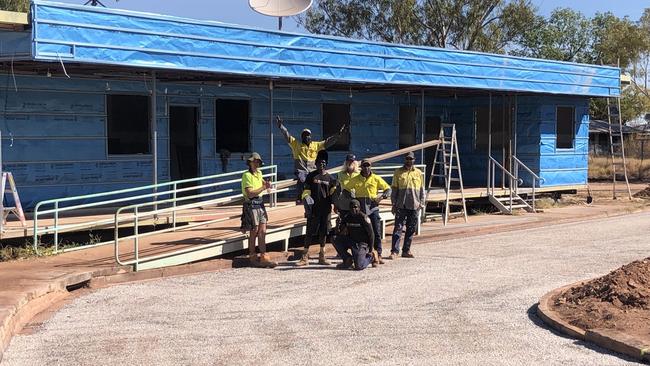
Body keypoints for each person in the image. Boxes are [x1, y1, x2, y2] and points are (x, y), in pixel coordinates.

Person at [276, 116, 347, 203]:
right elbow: (287, 135)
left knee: (319, 181)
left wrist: (338, 135)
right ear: (301, 137)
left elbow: (328, 142)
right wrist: (281, 126)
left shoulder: (316, 145)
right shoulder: (296, 144)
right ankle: (300, 198)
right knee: (302, 180)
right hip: (301, 171)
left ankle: (321, 197)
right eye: (304, 135)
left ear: (311, 136)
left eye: (308, 135)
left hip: (313, 170)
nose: (306, 137)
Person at [344, 159, 391, 264]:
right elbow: (345, 190)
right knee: (363, 232)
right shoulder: (355, 179)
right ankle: (365, 253)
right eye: (364, 166)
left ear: (371, 167)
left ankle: (378, 254)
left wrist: (382, 197)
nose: (366, 168)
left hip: (373, 207)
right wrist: (352, 198)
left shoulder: (376, 178)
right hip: (361, 210)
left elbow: (388, 189)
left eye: (368, 166)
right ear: (361, 167)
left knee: (376, 232)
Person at [296, 150, 339, 266]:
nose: (321, 164)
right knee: (309, 232)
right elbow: (306, 192)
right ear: (315, 163)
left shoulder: (330, 178)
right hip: (314, 210)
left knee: (323, 232)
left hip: (326, 210)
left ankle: (322, 256)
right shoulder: (311, 176)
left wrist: (336, 189)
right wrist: (307, 207)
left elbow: (332, 195)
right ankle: (304, 257)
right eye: (319, 162)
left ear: (326, 164)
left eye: (324, 162)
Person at [240, 152, 277, 268]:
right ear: (250, 162)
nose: (256, 164)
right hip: (251, 204)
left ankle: (263, 256)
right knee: (254, 231)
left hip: (260, 203)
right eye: (255, 161)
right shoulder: (246, 175)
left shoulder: (259, 173)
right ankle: (252, 256)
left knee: (262, 231)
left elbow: (261, 185)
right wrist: (263, 187)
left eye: (258, 162)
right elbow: (250, 193)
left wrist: (266, 184)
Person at [389, 152, 425, 259]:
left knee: (410, 229)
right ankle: (394, 251)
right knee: (398, 229)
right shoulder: (398, 172)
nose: (409, 161)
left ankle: (406, 250)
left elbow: (422, 189)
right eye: (407, 159)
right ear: (405, 159)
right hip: (401, 205)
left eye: (411, 159)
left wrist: (421, 203)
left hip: (414, 205)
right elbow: (394, 189)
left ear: (414, 160)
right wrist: (394, 204)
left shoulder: (418, 173)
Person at [333, 199, 377, 270]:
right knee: (334, 238)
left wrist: (371, 249)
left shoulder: (364, 218)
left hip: (362, 243)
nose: (354, 209)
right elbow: (338, 233)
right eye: (351, 207)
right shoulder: (347, 217)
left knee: (359, 266)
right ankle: (348, 259)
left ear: (359, 208)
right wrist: (337, 224)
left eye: (355, 207)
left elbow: (371, 234)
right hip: (351, 241)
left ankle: (371, 257)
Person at [334, 153, 359, 219]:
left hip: (356, 204)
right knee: (344, 223)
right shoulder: (340, 174)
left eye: (352, 161)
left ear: (355, 162)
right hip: (344, 203)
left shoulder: (359, 174)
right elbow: (337, 190)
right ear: (345, 162)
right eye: (349, 161)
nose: (350, 163)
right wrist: (336, 205)